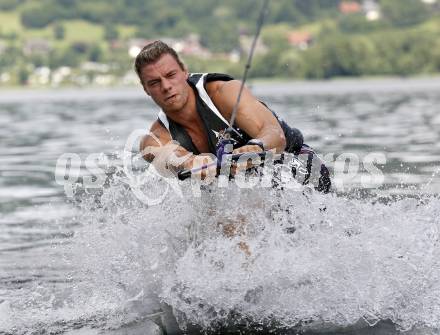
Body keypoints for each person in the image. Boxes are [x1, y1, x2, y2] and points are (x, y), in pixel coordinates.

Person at [135, 40, 308, 181]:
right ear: (145, 89)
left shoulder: (225, 93)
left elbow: (275, 135)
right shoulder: (155, 139)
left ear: (185, 72)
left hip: (297, 164)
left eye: (171, 75)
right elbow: (167, 155)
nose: (166, 86)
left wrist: (256, 147)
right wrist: (190, 162)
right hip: (246, 188)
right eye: (154, 83)